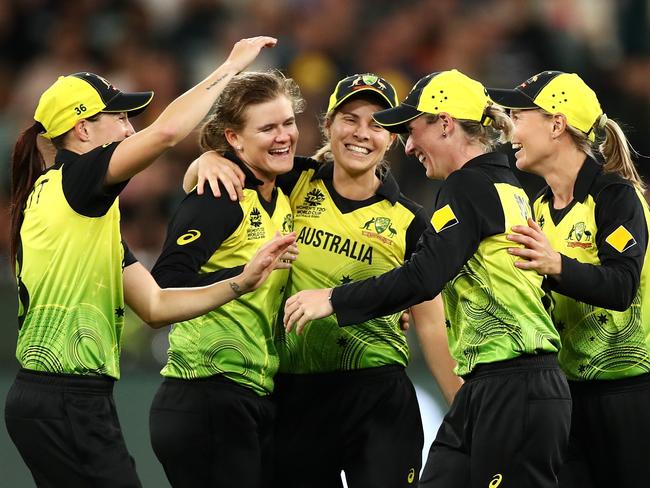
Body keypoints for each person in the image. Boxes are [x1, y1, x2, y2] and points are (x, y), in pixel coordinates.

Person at [4, 36, 280, 488]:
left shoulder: (79, 209)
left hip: (53, 399)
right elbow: (167, 134)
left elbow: (154, 306)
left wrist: (241, 280)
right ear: (82, 130)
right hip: (67, 398)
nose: (131, 129)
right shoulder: (77, 179)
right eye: (119, 117)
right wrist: (230, 67)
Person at [283, 69, 572, 488]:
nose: (410, 144)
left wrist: (334, 298)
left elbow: (422, 278)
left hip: (514, 385)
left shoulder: (469, 186)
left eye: (413, 129)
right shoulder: (500, 183)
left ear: (445, 123)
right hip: (494, 384)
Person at [187, 72, 462, 487]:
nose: (361, 134)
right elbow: (206, 185)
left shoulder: (410, 221)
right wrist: (206, 160)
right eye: (350, 119)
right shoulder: (289, 181)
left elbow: (429, 322)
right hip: (296, 391)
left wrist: (460, 410)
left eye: (377, 124)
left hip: (378, 394)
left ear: (391, 139)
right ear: (328, 124)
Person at [488, 71, 650, 488]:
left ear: (556, 124)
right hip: (563, 398)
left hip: (629, 396)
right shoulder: (535, 209)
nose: (510, 129)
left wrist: (555, 264)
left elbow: (621, 287)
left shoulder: (617, 198)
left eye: (519, 115)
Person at [148, 70, 304, 488]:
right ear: (233, 138)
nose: (283, 136)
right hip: (205, 392)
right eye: (267, 128)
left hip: (247, 394)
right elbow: (164, 286)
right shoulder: (219, 196)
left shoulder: (280, 186)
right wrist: (243, 274)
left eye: (288, 123)